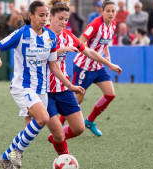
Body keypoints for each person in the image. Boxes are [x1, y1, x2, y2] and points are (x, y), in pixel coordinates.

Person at [0, 1, 84, 169]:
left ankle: (5, 157)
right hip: (23, 86)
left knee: (34, 127)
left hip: (41, 89)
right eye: (41, 15)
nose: (44, 18)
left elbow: (53, 66)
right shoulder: (21, 34)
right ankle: (17, 152)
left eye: (46, 15)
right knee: (43, 118)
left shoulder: (51, 37)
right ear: (31, 15)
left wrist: (70, 86)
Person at [45, 0, 122, 155]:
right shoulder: (41, 34)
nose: (63, 22)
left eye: (66, 19)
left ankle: (87, 122)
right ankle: (15, 150)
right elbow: (43, 56)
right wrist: (62, 50)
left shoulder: (68, 35)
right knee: (39, 123)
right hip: (48, 84)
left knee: (80, 126)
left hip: (75, 79)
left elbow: (90, 50)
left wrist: (110, 63)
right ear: (50, 17)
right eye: (60, 18)